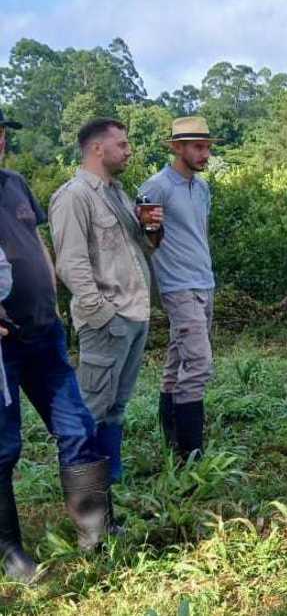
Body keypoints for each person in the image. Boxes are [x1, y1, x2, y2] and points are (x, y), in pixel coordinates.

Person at [0, 112, 109, 578]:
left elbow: (36, 241)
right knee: (3, 446)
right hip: (1, 346)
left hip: (44, 333)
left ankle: (97, 533)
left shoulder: (14, 184)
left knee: (77, 425)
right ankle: (9, 554)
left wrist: (53, 295)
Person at [49, 118, 163, 495]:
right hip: (107, 319)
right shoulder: (74, 196)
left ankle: (111, 482)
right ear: (98, 148)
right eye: (123, 144)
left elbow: (140, 250)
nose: (129, 151)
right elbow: (70, 264)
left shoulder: (117, 193)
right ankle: (88, 497)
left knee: (116, 405)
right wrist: (103, 313)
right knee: (92, 408)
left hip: (133, 314)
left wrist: (151, 230)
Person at [138, 117, 217, 461]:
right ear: (176, 147)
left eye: (208, 147)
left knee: (177, 360)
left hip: (203, 280)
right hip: (177, 285)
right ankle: (191, 450)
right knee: (198, 363)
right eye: (197, 147)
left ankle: (173, 444)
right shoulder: (156, 188)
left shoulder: (201, 188)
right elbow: (144, 238)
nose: (205, 154)